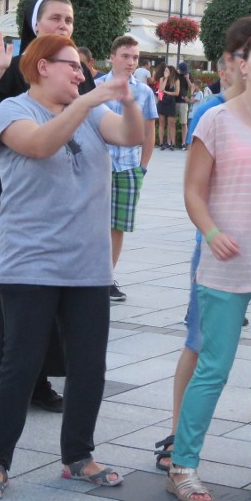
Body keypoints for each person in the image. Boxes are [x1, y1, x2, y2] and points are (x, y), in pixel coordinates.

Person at [0, 33, 143, 499]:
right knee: (20, 364)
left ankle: (79, 456)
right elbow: (40, 145)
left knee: (89, 365)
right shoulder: (13, 110)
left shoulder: (91, 113)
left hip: (88, 263)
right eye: (72, 65)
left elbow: (130, 136)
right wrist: (88, 100)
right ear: (42, 66)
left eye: (83, 68)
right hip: (29, 262)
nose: (80, 73)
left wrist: (127, 102)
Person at [153, 17, 251, 478]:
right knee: (213, 364)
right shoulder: (215, 118)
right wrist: (211, 232)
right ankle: (184, 464)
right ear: (239, 65)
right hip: (226, 260)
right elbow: (194, 191)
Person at [0, 0, 95, 413]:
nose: (63, 25)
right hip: (10, 192)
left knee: (51, 287)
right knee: (6, 285)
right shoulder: (17, 69)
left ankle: (41, 379)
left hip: (61, 191)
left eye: (68, 19)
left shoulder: (75, 69)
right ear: (35, 23)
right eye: (55, 18)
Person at [95, 35, 158, 302]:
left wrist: (142, 167)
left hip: (128, 167)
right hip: (97, 166)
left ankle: (106, 278)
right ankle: (88, 278)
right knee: (90, 223)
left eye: (135, 57)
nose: (131, 62)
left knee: (117, 226)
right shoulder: (96, 86)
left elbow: (149, 131)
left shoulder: (143, 92)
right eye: (125, 56)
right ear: (112, 57)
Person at [156, 64, 179, 150]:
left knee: (171, 123)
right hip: (163, 101)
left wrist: (167, 92)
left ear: (171, 72)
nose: (165, 72)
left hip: (171, 102)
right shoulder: (162, 79)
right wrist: (165, 78)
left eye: (167, 71)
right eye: (165, 70)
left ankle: (172, 143)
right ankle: (161, 143)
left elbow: (177, 93)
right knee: (162, 123)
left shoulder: (176, 80)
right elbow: (161, 90)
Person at [177, 62, 191, 149]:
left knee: (184, 123)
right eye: (183, 71)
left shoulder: (188, 75)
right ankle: (170, 142)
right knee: (171, 122)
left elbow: (192, 87)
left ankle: (183, 142)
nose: (184, 73)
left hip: (183, 101)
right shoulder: (176, 75)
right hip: (174, 100)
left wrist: (188, 79)